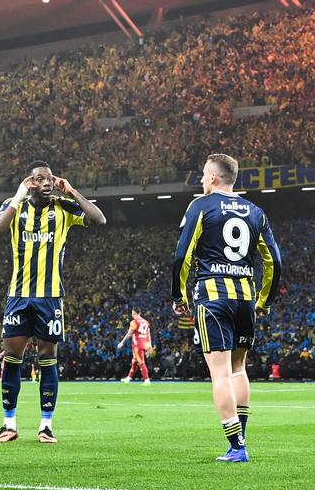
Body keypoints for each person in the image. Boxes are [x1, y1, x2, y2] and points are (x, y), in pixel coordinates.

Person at [171, 153, 282, 463]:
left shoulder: (201, 206)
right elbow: (274, 260)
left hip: (213, 295)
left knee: (219, 374)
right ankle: (241, 439)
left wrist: (178, 297)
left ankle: (237, 447)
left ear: (215, 178)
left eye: (204, 175)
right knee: (238, 369)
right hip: (245, 296)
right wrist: (264, 300)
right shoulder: (255, 211)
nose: (202, 180)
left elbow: (183, 255)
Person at [0, 162, 106, 444]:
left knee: (47, 360)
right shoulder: (13, 206)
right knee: (13, 361)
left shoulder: (64, 208)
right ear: (30, 181)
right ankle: (8, 424)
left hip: (50, 297)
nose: (47, 183)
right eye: (40, 179)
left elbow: (99, 219)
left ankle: (46, 426)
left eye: (50, 179)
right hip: (18, 296)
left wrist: (73, 191)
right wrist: (18, 196)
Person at [117, 309, 152, 384]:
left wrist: (122, 342)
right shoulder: (146, 322)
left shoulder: (134, 322)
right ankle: (128, 379)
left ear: (134, 313)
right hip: (144, 344)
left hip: (137, 345)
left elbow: (129, 334)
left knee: (141, 362)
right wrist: (149, 344)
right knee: (134, 362)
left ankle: (147, 380)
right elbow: (148, 334)